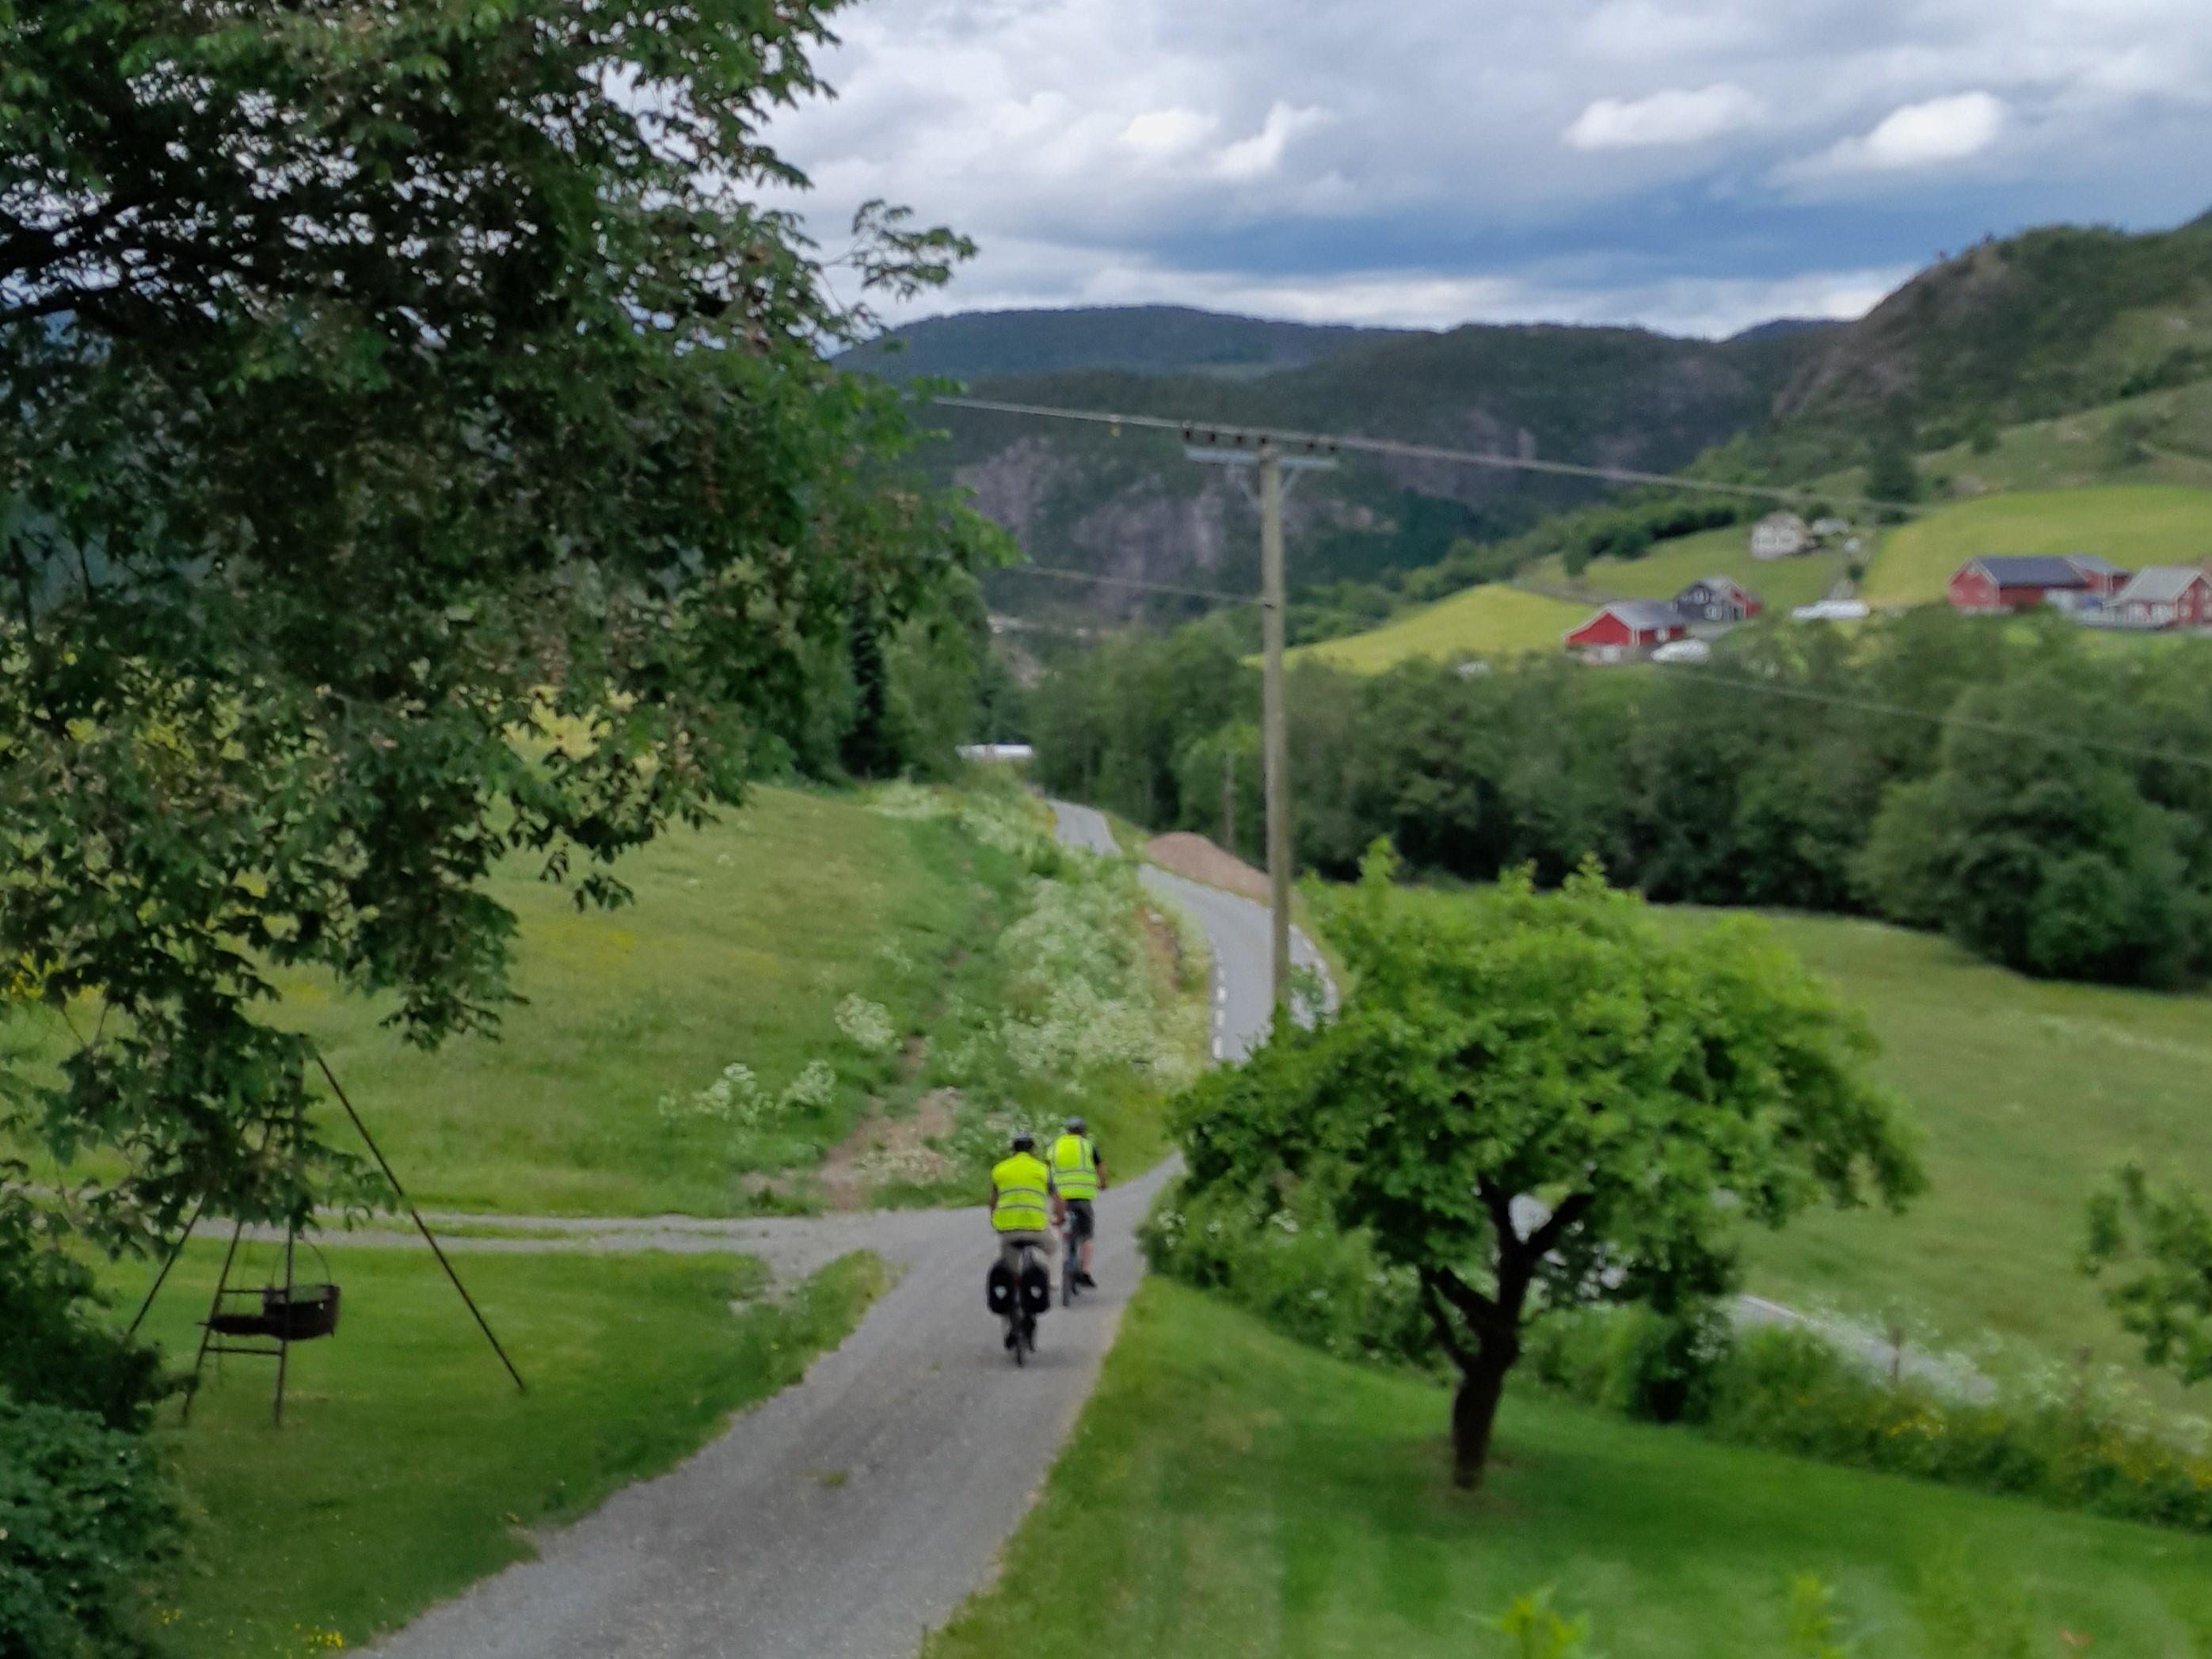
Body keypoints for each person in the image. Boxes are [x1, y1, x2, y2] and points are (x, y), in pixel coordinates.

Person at [989, 1131, 1060, 1323]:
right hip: (1036, 1228)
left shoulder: (1000, 1170)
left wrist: (995, 1222)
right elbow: (1057, 1199)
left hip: (1009, 1230)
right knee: (1053, 1247)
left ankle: (1011, 1313)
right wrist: (1058, 1218)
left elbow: (993, 1202)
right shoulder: (1042, 1170)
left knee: (1010, 1269)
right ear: (1033, 1149)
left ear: (1012, 1150)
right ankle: (1052, 1283)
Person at [1049, 1116, 1106, 1288]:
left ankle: (1055, 1266)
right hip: (1082, 1196)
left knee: (1057, 1226)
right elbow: (1100, 1167)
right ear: (1083, 1131)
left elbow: (1047, 1168)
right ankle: (1086, 1272)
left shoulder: (1055, 1146)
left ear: (1067, 1131)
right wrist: (1102, 1183)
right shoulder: (1088, 1145)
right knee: (1087, 1234)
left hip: (1061, 1197)